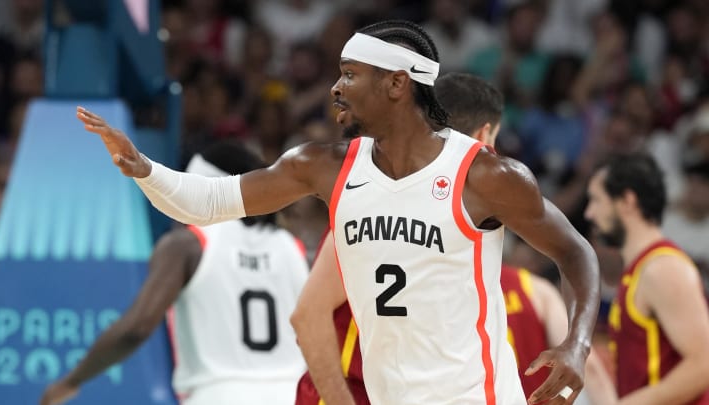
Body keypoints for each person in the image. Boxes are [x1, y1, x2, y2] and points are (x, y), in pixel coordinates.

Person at [77, 20, 600, 405]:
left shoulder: (486, 176)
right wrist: (141, 166)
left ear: (396, 84)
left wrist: (577, 343)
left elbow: (576, 253)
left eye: (350, 75)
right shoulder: (324, 166)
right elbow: (209, 202)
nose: (334, 88)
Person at [291, 73, 585, 405]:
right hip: (349, 392)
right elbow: (307, 315)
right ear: (485, 134)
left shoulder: (464, 212)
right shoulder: (373, 206)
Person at [40, 141, 309, 405]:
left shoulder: (187, 245)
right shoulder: (295, 247)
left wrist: (70, 382)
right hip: (295, 394)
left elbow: (135, 328)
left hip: (215, 394)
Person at [583, 154, 709, 404]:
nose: (589, 213)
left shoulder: (662, 269)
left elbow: (704, 363)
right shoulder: (641, 268)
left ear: (627, 201)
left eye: (597, 200)